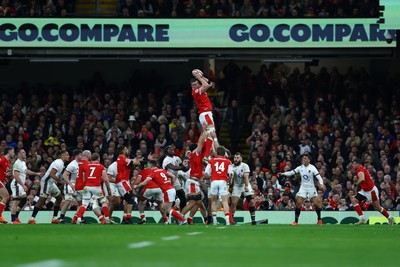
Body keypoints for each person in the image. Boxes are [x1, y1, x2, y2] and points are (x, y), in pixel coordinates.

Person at [133, 160, 186, 225]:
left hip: (167, 191)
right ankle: (171, 220)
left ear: (151, 165)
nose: (148, 167)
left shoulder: (153, 172)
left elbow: (145, 182)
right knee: (163, 206)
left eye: (149, 165)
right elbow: (173, 176)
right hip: (170, 189)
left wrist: (137, 186)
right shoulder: (162, 170)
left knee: (167, 209)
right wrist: (171, 184)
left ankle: (182, 219)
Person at [279, 153, 325, 226]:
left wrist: (321, 184)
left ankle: (319, 219)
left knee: (316, 204)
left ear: (309, 160)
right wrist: (283, 173)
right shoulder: (300, 168)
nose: (304, 159)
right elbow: (291, 172)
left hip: (311, 188)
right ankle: (296, 221)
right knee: (298, 204)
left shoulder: (312, 167)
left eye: (305, 158)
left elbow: (319, 177)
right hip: (303, 188)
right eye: (303, 158)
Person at [28, 150, 70, 224]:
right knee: (42, 200)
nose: (68, 156)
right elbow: (52, 174)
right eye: (66, 154)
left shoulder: (61, 163)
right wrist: (60, 181)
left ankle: (55, 218)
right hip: (46, 182)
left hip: (51, 183)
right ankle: (31, 219)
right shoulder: (58, 163)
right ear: (62, 155)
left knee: (59, 198)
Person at [351, 157, 394, 226]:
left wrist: (355, 184)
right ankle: (361, 218)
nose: (353, 166)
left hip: (371, 191)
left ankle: (390, 217)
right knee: (354, 200)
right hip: (365, 190)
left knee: (377, 207)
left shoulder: (360, 169)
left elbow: (362, 178)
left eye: (353, 164)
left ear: (356, 163)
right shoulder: (361, 169)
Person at [180, 130, 208, 224]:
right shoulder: (195, 154)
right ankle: (179, 218)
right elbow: (201, 141)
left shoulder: (194, 155)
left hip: (195, 181)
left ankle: (206, 220)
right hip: (192, 181)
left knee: (199, 203)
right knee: (192, 202)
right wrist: (204, 130)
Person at [76, 153, 111, 224]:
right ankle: (107, 219)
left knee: (84, 204)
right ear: (98, 159)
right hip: (96, 187)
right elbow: (106, 179)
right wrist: (109, 189)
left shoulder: (86, 166)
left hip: (87, 187)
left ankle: (78, 219)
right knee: (104, 202)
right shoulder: (101, 167)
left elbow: (83, 178)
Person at [191, 68, 216, 158]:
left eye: (196, 84)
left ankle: (208, 153)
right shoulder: (195, 92)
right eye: (193, 85)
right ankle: (207, 155)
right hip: (205, 113)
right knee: (211, 133)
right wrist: (199, 77)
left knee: (209, 133)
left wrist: (202, 77)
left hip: (206, 113)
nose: (195, 86)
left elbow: (210, 84)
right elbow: (206, 85)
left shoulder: (201, 88)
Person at [11, 149, 41, 224]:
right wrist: (23, 185)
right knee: (16, 201)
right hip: (17, 184)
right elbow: (16, 176)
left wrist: (36, 173)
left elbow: (26, 171)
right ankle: (13, 220)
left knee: (23, 199)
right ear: (19, 154)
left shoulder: (23, 162)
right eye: (23, 152)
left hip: (20, 184)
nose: (25, 153)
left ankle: (16, 217)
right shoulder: (17, 163)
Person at [205, 146, 233, 225]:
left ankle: (214, 221)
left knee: (213, 201)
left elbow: (207, 173)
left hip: (214, 182)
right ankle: (227, 221)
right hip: (223, 181)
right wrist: (230, 180)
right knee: (224, 201)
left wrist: (210, 177)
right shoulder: (228, 161)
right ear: (224, 153)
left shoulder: (211, 161)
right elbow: (231, 173)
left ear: (217, 153)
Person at [230, 152, 257, 225]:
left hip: (245, 184)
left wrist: (247, 186)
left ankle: (253, 220)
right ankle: (231, 220)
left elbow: (246, 177)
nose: (236, 159)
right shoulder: (231, 167)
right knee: (234, 203)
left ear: (241, 159)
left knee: (251, 201)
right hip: (236, 186)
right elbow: (231, 177)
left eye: (237, 158)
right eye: (235, 158)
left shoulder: (245, 166)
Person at [162, 145, 187, 211]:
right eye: (170, 148)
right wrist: (183, 167)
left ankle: (181, 214)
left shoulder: (177, 158)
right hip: (168, 181)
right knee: (170, 200)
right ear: (167, 151)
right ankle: (166, 216)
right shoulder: (166, 160)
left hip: (175, 180)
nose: (172, 149)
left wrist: (189, 164)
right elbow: (174, 168)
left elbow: (184, 170)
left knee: (183, 197)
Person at [59, 149, 82, 224]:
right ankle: (61, 218)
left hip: (78, 185)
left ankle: (77, 218)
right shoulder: (72, 164)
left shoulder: (80, 164)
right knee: (68, 201)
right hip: (70, 184)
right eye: (81, 155)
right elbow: (65, 175)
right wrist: (70, 184)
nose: (82, 157)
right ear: (77, 155)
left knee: (81, 203)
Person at [116, 146, 137, 224]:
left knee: (126, 199)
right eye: (126, 149)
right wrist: (139, 159)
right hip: (123, 181)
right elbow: (135, 163)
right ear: (123, 151)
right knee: (131, 197)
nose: (128, 150)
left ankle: (125, 218)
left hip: (122, 181)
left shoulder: (121, 158)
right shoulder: (122, 158)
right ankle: (128, 218)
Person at [0, 147, 14, 223]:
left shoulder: (7, 162)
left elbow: (6, 174)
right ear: (9, 152)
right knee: (6, 196)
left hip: (1, 180)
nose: (14, 153)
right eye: (13, 151)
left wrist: (9, 174)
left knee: (3, 197)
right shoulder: (2, 159)